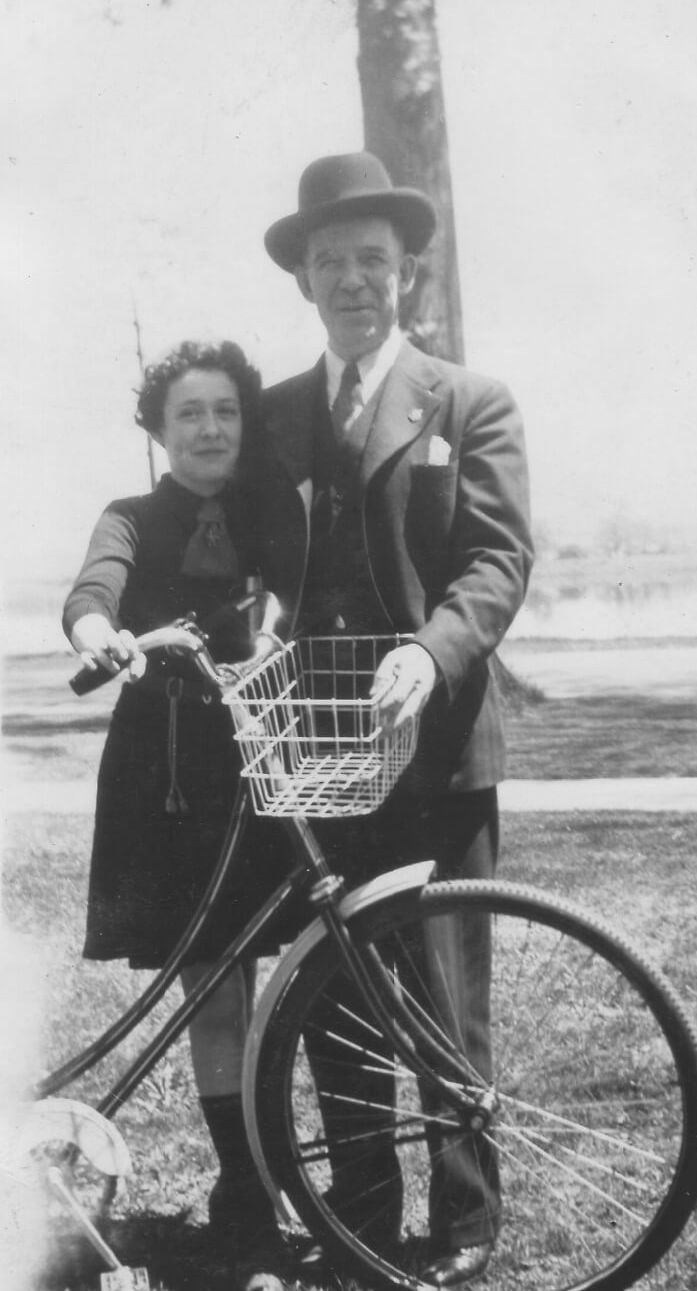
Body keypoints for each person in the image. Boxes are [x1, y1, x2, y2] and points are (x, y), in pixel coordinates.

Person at [257, 150, 533, 1287]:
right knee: (335, 1000)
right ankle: (359, 1220)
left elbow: (497, 558)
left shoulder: (470, 400)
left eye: (373, 259)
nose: (354, 281)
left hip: (437, 752)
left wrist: (432, 648)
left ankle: (466, 1226)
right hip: (321, 753)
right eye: (332, 263)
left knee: (440, 994)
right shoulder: (273, 415)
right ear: (305, 284)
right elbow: (246, 563)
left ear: (406, 273)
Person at [63, 340, 295, 1287]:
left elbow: (295, 591)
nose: (210, 429)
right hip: (165, 777)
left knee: (272, 982)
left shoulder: (269, 511)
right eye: (190, 414)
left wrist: (280, 630)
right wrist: (101, 637)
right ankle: (246, 1194)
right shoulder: (130, 516)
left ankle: (268, 1188)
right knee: (212, 989)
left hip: (256, 761)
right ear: (160, 433)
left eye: (226, 412)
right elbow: (91, 593)